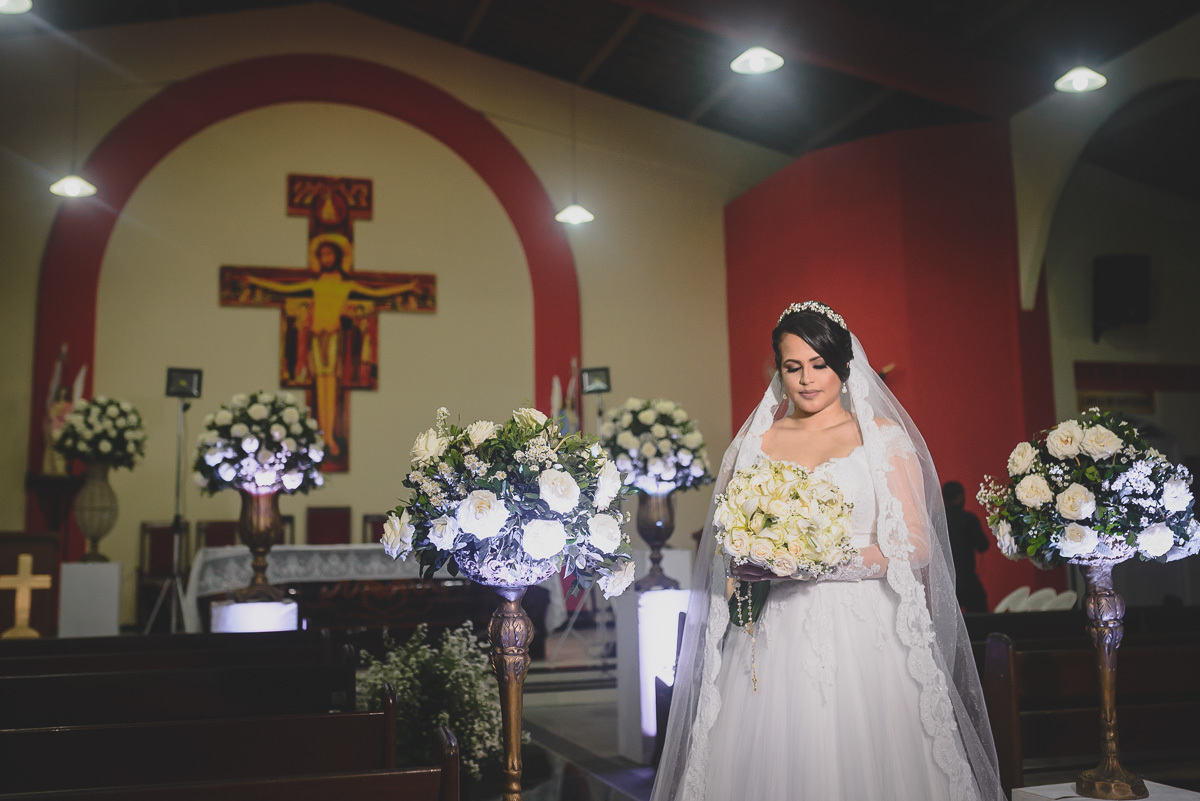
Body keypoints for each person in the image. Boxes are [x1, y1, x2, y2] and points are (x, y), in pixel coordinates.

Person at [651, 301, 1004, 801]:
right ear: (779, 371)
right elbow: (729, 538)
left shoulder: (880, 438)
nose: (807, 379)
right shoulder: (755, 444)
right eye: (793, 367)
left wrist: (823, 560)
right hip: (778, 629)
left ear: (842, 366)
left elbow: (917, 545)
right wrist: (755, 555)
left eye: (819, 364)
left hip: (867, 631)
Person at [245, 235, 417, 455]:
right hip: (316, 339)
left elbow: (376, 293)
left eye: (329, 253)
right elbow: (284, 287)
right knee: (320, 387)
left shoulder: (346, 285)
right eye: (322, 254)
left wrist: (405, 287)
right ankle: (322, 435)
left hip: (334, 339)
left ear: (337, 256)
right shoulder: (314, 284)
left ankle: (331, 437)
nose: (326, 258)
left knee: (332, 388)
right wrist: (256, 281)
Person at [943, 480, 990, 613]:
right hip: (967, 579)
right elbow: (983, 545)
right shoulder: (968, 519)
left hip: (946, 581)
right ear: (960, 496)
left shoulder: (937, 519)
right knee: (981, 620)